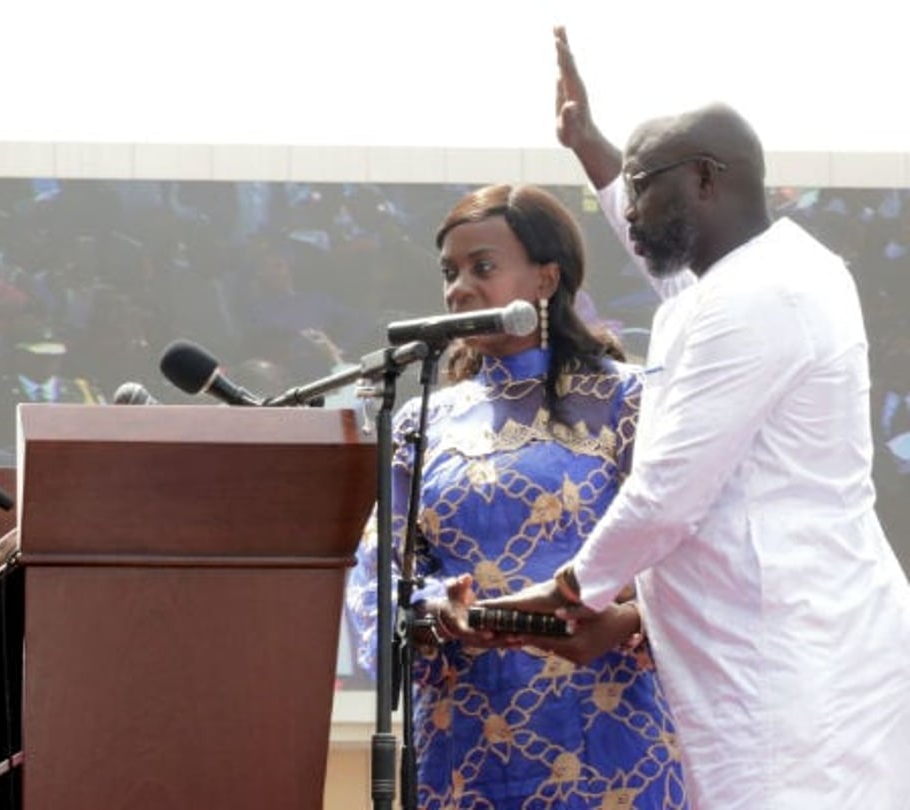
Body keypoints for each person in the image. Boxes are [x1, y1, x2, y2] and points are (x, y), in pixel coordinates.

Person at [474, 28, 910, 809]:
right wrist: (590, 147)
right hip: (754, 649)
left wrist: (572, 591)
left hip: (790, 661)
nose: (628, 210)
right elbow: (658, 260)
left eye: (643, 187)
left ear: (707, 179)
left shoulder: (760, 297)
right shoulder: (740, 278)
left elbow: (666, 494)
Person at [345, 183, 687, 808]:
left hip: (614, 726)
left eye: (482, 268)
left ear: (546, 278)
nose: (458, 290)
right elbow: (378, 573)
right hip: (466, 731)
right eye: (450, 273)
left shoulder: (631, 400)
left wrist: (627, 622)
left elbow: (685, 547)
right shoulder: (420, 421)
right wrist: (433, 615)